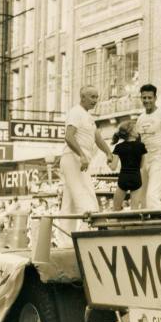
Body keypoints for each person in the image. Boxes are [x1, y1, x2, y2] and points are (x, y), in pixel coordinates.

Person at [59, 86, 114, 241]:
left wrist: (109, 153)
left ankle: (65, 241)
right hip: (74, 158)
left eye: (96, 97)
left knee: (69, 203)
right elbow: (69, 137)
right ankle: (88, 234)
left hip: (79, 160)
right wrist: (81, 155)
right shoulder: (76, 112)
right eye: (92, 97)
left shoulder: (88, 117)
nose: (95, 100)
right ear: (82, 97)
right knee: (84, 196)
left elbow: (98, 138)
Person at [110, 121, 147, 210]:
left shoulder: (118, 147)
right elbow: (142, 166)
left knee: (116, 208)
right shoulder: (141, 146)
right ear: (131, 132)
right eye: (136, 128)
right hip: (136, 178)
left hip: (123, 178)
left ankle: (116, 223)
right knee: (135, 209)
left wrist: (108, 162)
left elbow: (113, 167)